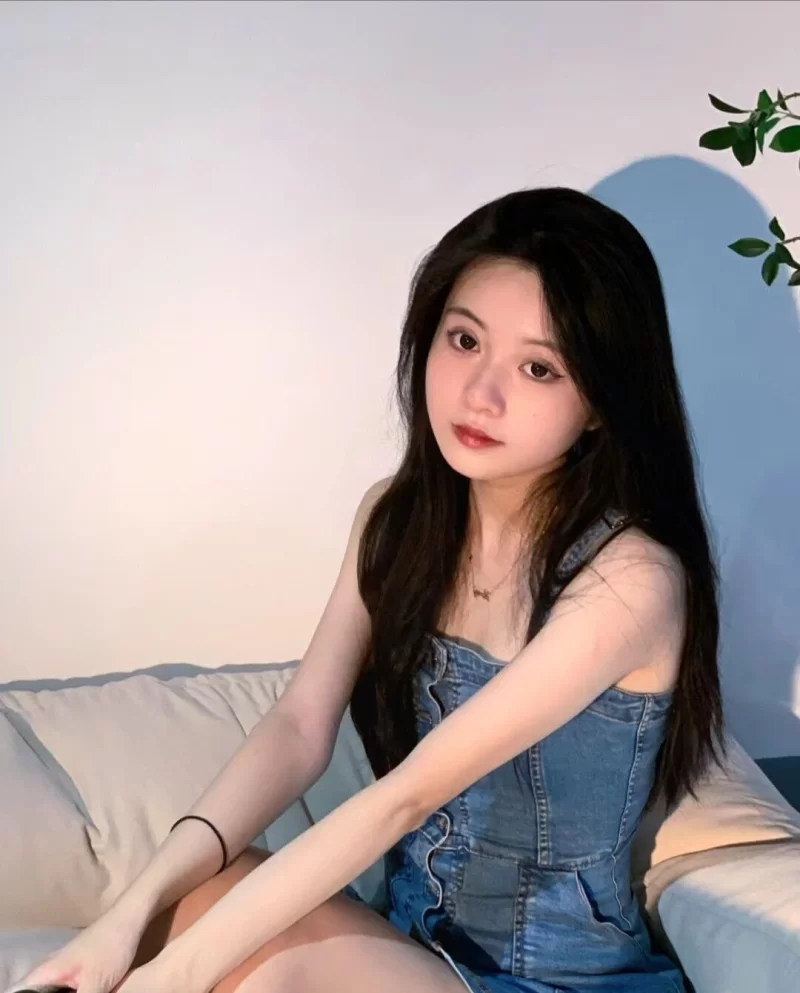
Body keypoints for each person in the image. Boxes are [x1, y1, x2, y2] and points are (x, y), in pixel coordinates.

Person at [15, 187, 726, 993]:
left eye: (538, 368)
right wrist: (125, 916)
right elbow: (297, 725)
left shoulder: (631, 580)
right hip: (414, 945)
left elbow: (407, 797)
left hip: (554, 982)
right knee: (208, 889)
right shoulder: (397, 521)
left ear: (599, 403)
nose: (480, 393)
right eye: (465, 340)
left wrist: (172, 977)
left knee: (258, 958)